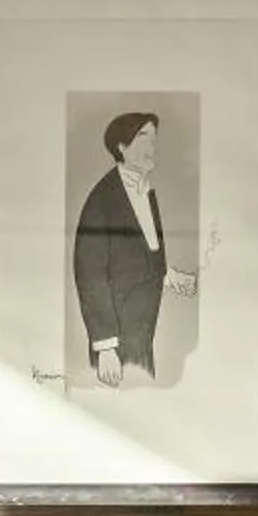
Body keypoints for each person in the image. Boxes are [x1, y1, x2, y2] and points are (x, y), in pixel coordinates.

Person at [72, 111, 197, 388]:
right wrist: (105, 347)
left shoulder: (146, 192)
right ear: (121, 146)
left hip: (143, 334)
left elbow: (139, 260)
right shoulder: (101, 200)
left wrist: (169, 276)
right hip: (114, 347)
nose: (151, 146)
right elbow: (90, 275)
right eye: (142, 138)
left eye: (153, 139)